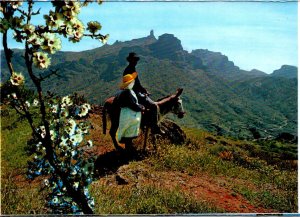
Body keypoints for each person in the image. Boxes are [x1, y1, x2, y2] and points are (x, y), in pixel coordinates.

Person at [123, 52, 163, 134]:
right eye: (134, 60)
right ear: (131, 61)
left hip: (131, 91)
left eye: (136, 60)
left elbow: (136, 83)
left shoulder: (129, 69)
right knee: (154, 106)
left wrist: (143, 90)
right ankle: (155, 127)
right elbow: (135, 84)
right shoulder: (130, 70)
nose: (136, 62)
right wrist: (143, 91)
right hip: (134, 92)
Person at [116, 72, 145, 151]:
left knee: (128, 130)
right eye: (132, 81)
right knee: (128, 131)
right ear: (130, 83)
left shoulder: (127, 91)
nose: (134, 82)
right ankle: (128, 151)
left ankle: (128, 148)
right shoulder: (127, 93)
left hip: (127, 114)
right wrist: (141, 108)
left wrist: (139, 106)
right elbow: (133, 105)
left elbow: (133, 104)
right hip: (129, 115)